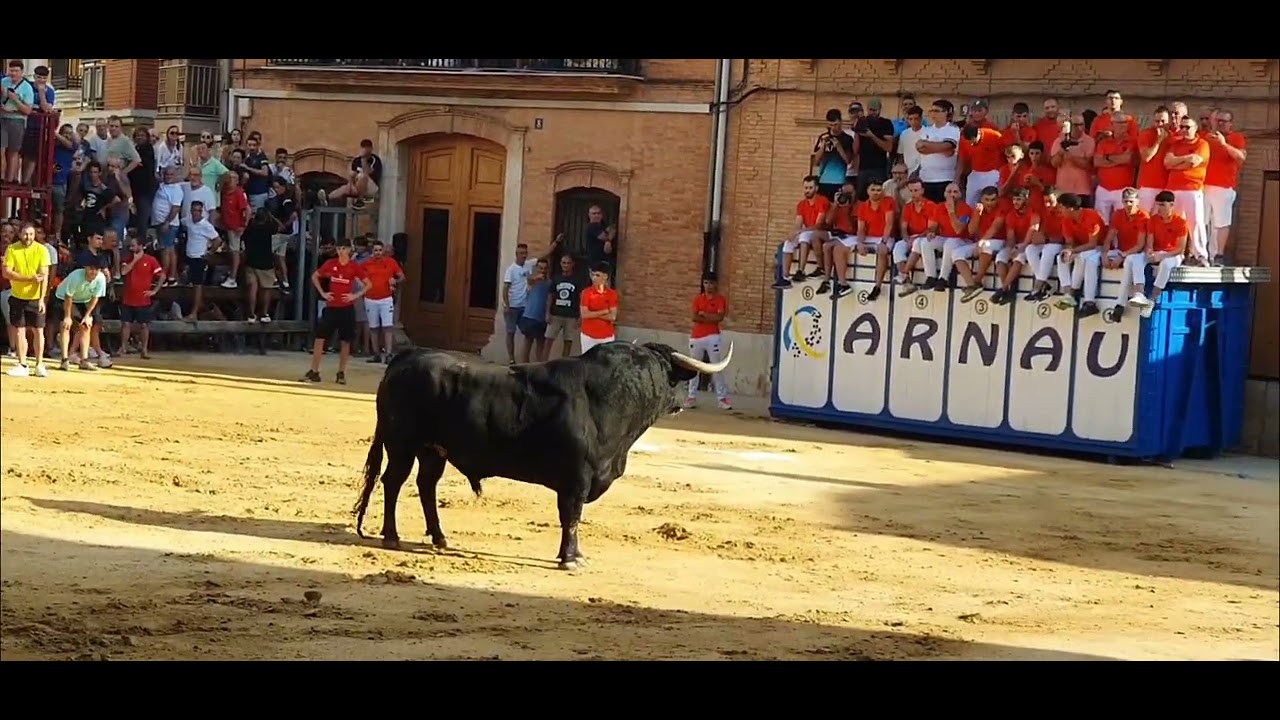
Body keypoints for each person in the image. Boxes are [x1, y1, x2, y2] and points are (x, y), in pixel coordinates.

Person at [303, 238, 367, 384]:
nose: (341, 251)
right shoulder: (331, 264)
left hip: (346, 308)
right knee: (320, 338)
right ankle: (314, 370)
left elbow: (368, 284)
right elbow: (315, 276)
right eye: (339, 249)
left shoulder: (354, 266)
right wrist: (323, 293)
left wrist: (354, 295)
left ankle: (341, 372)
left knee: (345, 341)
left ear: (349, 250)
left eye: (343, 249)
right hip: (332, 307)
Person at [4, 223, 51, 376]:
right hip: (18, 295)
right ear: (20, 234)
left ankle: (39, 364)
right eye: (25, 234)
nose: (28, 237)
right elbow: (6, 273)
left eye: (31, 234)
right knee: (19, 330)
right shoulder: (12, 249)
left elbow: (44, 276)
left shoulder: (42, 250)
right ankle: (22, 363)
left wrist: (42, 299)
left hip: (35, 297)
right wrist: (28, 278)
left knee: (39, 331)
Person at [685, 272, 731, 410]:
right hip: (696, 336)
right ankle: (691, 397)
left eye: (711, 283)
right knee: (693, 367)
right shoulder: (698, 299)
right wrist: (709, 317)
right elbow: (694, 317)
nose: (708, 286)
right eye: (705, 283)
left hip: (713, 336)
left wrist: (704, 315)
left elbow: (719, 318)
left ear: (715, 284)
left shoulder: (720, 299)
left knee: (716, 366)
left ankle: (722, 399)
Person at [54, 260, 108, 371]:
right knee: (65, 326)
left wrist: (88, 315)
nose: (93, 272)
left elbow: (95, 298)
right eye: (91, 269)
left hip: (84, 300)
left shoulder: (101, 278)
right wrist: (68, 316)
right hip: (63, 297)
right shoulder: (76, 276)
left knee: (86, 326)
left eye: (96, 270)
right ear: (85, 268)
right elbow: (68, 296)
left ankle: (84, 360)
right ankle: (64, 360)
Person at [118, 234, 165, 358]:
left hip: (143, 299)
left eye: (133, 246)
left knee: (144, 325)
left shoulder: (151, 260)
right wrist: (135, 260)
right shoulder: (127, 258)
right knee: (125, 324)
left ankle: (144, 350)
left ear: (140, 246)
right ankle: (123, 347)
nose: (131, 248)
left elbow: (162, 275)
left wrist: (154, 291)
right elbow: (123, 271)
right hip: (128, 297)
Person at [361, 239, 404, 363]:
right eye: (375, 250)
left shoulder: (391, 262)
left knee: (387, 326)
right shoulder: (367, 264)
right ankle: (376, 353)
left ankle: (388, 354)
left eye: (380, 250)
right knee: (373, 327)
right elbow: (358, 276)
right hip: (370, 299)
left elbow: (402, 276)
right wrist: (363, 288)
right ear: (372, 252)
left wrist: (395, 281)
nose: (378, 252)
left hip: (386, 299)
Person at [241, 208, 279, 323]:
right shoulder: (269, 229)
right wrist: (271, 216)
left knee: (252, 289)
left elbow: (243, 238)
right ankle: (264, 313)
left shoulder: (251, 229)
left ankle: (251, 314)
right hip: (266, 263)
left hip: (251, 262)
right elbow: (280, 227)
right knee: (266, 290)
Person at [579, 261, 619, 353]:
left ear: (605, 276)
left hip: (606, 336)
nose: (594, 278)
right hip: (588, 335)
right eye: (593, 275)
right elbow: (584, 314)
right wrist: (604, 312)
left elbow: (612, 317)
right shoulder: (586, 293)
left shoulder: (612, 294)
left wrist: (592, 314)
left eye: (597, 275)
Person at [518, 257, 552, 363]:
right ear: (536, 268)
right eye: (540, 268)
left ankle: (539, 367)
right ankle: (523, 366)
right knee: (528, 342)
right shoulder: (532, 279)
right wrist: (537, 277)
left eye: (545, 268)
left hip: (542, 318)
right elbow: (529, 280)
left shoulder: (549, 283)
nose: (542, 270)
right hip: (530, 316)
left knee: (540, 343)